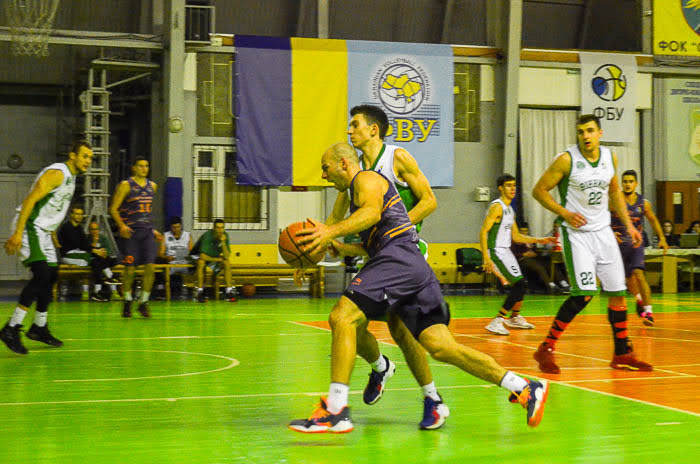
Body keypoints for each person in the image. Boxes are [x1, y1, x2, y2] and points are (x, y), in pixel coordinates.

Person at [288, 142, 548, 433]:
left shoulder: (366, 179)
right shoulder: (355, 193)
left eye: (326, 168)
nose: (324, 175)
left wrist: (331, 231)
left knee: (342, 316)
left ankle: (336, 409)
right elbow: (371, 242)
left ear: (345, 164)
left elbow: (373, 214)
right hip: (411, 266)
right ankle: (524, 386)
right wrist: (336, 245)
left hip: (397, 260)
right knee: (441, 347)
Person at [345, 104, 448, 429]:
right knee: (351, 323)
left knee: (398, 331)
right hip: (377, 255)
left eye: (355, 125)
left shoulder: (396, 158)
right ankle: (380, 366)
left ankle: (432, 399)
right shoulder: (358, 169)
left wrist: (401, 227)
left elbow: (430, 199)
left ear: (373, 129)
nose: (350, 131)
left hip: (404, 253)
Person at [531, 114, 652, 374]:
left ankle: (622, 353)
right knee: (584, 294)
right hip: (577, 234)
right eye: (580, 132)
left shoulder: (610, 157)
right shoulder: (566, 160)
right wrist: (564, 213)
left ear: (600, 132)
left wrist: (629, 225)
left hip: (604, 231)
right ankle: (546, 348)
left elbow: (614, 192)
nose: (585, 136)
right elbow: (539, 190)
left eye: (589, 131)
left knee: (618, 293)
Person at [1, 140, 93, 355]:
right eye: (85, 156)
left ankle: (39, 327)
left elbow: (52, 208)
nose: (88, 161)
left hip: (43, 231)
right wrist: (17, 233)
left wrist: (51, 232)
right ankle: (11, 328)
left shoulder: (71, 178)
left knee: (52, 275)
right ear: (73, 156)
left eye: (90, 157)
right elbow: (31, 200)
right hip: (30, 226)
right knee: (41, 274)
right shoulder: (57, 173)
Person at [481, 174, 558, 335]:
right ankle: (498, 320)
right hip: (496, 251)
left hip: (506, 250)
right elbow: (483, 232)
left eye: (514, 185)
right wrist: (486, 257)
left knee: (522, 284)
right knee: (520, 285)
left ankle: (514, 317)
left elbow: (516, 236)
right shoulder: (497, 207)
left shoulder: (510, 210)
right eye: (508, 185)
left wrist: (541, 240)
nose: (513, 188)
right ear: (500, 188)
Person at [611, 170, 668, 326]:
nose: (627, 184)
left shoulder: (644, 203)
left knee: (639, 273)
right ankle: (639, 300)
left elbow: (653, 220)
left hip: (636, 244)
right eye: (625, 181)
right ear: (622, 184)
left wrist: (662, 238)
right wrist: (610, 232)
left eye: (630, 181)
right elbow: (601, 217)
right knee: (628, 279)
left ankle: (649, 312)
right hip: (619, 246)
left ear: (636, 184)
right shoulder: (614, 200)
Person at [109, 157, 162, 318]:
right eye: (140, 166)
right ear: (134, 168)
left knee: (150, 268)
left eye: (146, 166)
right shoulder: (126, 185)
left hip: (146, 233)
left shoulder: (152, 186)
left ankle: (144, 302)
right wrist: (122, 225)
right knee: (130, 269)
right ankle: (127, 300)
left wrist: (152, 230)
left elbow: (147, 212)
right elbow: (113, 209)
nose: (144, 168)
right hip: (131, 233)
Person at [55, 207, 120, 301]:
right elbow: (78, 244)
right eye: (77, 214)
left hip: (81, 254)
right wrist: (95, 251)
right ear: (71, 215)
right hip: (69, 255)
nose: (79, 216)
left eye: (81, 214)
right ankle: (110, 277)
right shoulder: (66, 227)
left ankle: (97, 292)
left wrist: (98, 251)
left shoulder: (79, 228)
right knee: (96, 258)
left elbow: (84, 245)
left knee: (98, 261)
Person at [511, 223, 568, 294]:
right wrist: (523, 254)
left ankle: (563, 283)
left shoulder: (530, 238)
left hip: (534, 257)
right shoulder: (515, 240)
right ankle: (550, 285)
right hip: (522, 259)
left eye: (525, 231)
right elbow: (511, 253)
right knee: (538, 266)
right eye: (522, 231)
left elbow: (536, 249)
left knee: (550, 263)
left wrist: (536, 253)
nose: (524, 232)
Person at [192, 219, 237, 303]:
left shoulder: (225, 235)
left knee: (227, 262)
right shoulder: (207, 235)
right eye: (218, 228)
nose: (220, 230)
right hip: (199, 257)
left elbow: (226, 256)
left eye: (222, 228)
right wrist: (217, 259)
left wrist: (223, 242)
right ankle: (200, 292)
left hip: (213, 259)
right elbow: (202, 256)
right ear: (214, 228)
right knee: (201, 263)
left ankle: (229, 291)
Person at [158, 217, 193, 299]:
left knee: (197, 261)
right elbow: (161, 253)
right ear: (171, 227)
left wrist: (186, 256)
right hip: (170, 263)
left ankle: (193, 291)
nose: (176, 229)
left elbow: (192, 252)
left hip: (185, 263)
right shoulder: (166, 235)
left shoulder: (187, 235)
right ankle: (161, 291)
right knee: (158, 261)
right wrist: (167, 257)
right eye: (174, 227)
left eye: (178, 227)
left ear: (181, 226)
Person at [87, 221, 121, 301]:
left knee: (101, 263)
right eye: (92, 229)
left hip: (104, 259)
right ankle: (111, 278)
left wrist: (103, 253)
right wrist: (94, 243)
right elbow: (88, 251)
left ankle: (97, 291)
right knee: (97, 263)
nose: (94, 231)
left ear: (98, 230)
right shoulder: (87, 238)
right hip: (93, 260)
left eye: (96, 229)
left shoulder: (103, 238)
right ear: (89, 230)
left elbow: (108, 250)